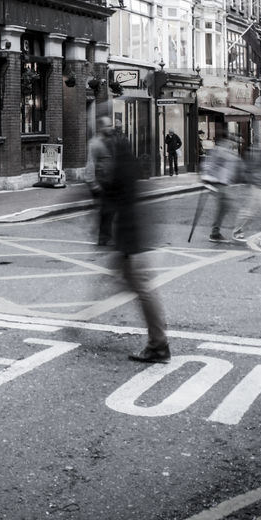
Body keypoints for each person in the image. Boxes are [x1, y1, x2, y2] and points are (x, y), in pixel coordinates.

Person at [96, 125, 169, 363]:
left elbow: (112, 196)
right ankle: (158, 333)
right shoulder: (126, 160)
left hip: (133, 236)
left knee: (144, 289)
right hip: (131, 234)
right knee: (132, 282)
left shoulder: (120, 165)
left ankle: (159, 344)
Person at [200, 129, 242, 243]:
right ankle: (234, 231)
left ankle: (216, 232)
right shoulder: (221, 150)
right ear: (226, 140)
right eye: (232, 140)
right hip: (216, 183)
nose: (233, 143)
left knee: (225, 206)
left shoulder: (220, 150)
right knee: (231, 205)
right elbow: (226, 160)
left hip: (219, 182)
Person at [84, 117, 117, 246]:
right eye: (108, 126)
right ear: (101, 128)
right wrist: (92, 183)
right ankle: (104, 237)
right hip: (101, 183)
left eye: (111, 125)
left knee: (109, 210)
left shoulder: (110, 141)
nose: (111, 128)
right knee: (106, 210)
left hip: (110, 182)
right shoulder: (95, 143)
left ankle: (105, 236)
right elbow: (91, 163)